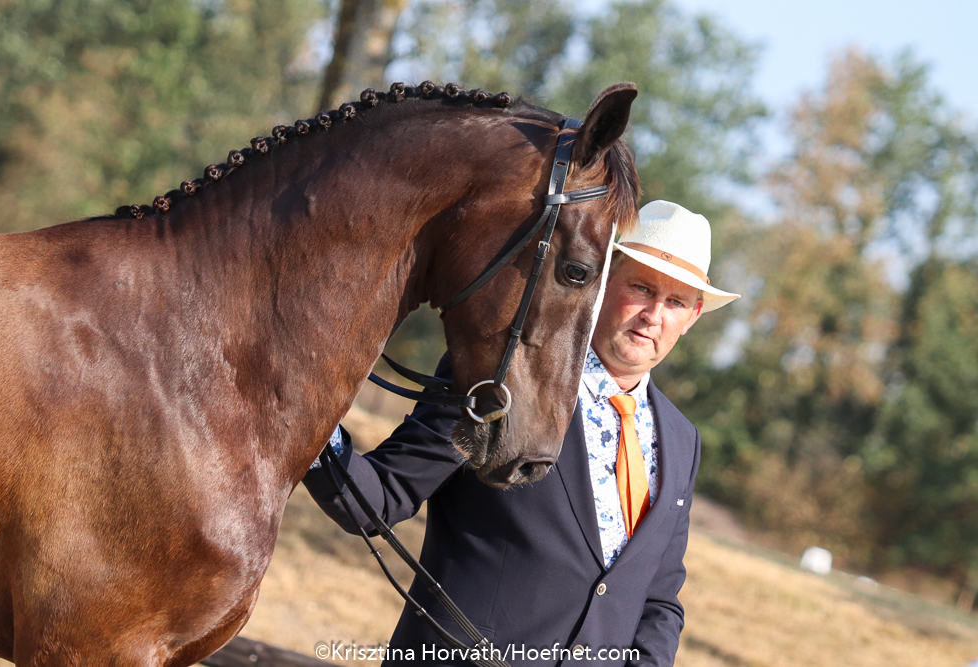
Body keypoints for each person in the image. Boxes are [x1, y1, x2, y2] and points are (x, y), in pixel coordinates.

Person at [303, 200, 740, 666]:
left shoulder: (682, 440)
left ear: (693, 316)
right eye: (641, 288)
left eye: (675, 302)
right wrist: (302, 415)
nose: (653, 314)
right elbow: (382, 496)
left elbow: (658, 598)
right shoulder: (500, 376)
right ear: (602, 281)